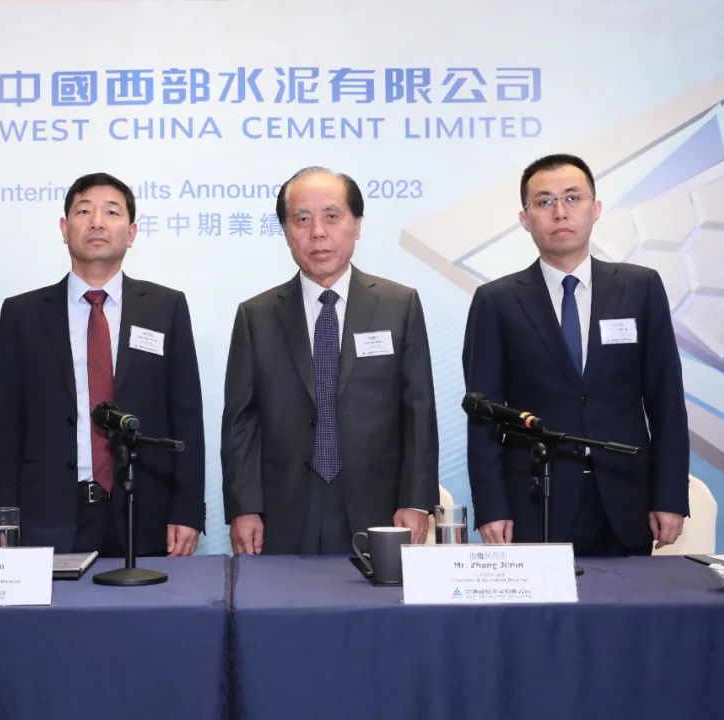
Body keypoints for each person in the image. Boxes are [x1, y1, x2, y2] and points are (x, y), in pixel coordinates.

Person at [462, 153, 689, 556]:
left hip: (625, 496)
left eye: (572, 198)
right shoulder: (496, 301)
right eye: (544, 201)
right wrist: (492, 507)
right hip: (535, 501)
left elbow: (666, 402)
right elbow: (484, 416)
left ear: (595, 208)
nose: (559, 212)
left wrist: (669, 495)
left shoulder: (640, 288)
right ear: (525, 218)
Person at [222, 166, 439, 554]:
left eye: (332, 216)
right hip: (282, 509)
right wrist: (244, 507)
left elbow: (418, 411)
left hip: (379, 505)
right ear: (286, 231)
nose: (317, 232)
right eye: (302, 219)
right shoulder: (256, 316)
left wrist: (416, 500)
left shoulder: (399, 305)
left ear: (357, 224)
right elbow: (241, 422)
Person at [0, 172, 204, 557]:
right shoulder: (22, 314)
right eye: (84, 211)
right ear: (64, 228)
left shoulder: (166, 308)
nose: (97, 222)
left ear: (132, 232)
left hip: (145, 510)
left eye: (112, 212)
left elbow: (186, 416)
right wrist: (3, 522)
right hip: (48, 514)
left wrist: (187, 511)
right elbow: (7, 428)